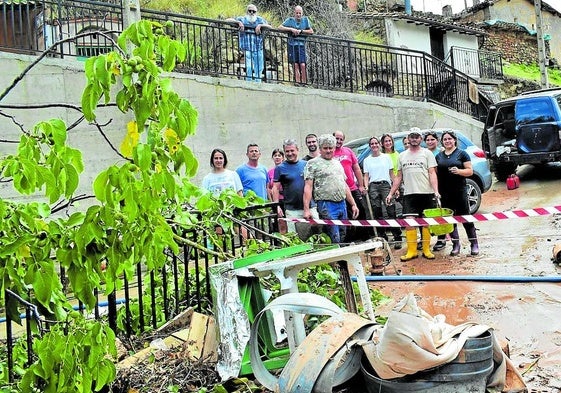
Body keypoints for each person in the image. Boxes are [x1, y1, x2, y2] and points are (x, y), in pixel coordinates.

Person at [386, 127, 440, 261]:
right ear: (408, 139)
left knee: (426, 222)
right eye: (412, 137)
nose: (414, 139)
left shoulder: (427, 153)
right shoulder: (402, 156)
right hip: (409, 194)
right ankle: (412, 251)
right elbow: (398, 177)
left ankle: (427, 250)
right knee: (410, 223)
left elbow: (432, 173)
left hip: (426, 193)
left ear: (420, 139)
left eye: (417, 137)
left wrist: (436, 191)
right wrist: (391, 193)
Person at [303, 134, 359, 244]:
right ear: (320, 148)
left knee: (343, 232)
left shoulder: (337, 163)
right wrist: (306, 209)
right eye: (325, 148)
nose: (328, 151)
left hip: (341, 203)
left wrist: (353, 204)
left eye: (330, 148)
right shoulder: (312, 163)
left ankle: (340, 258)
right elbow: (308, 186)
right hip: (326, 204)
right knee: (334, 234)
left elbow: (344, 185)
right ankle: (335, 259)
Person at [436, 130, 479, 256]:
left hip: (459, 190)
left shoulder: (462, 154)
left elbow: (470, 171)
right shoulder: (439, 156)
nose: (447, 141)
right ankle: (456, 244)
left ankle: (474, 244)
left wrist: (459, 171)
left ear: (454, 140)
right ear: (442, 142)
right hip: (445, 192)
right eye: (445, 139)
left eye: (450, 139)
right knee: (450, 219)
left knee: (465, 217)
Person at [273, 139, 317, 240]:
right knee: (294, 238)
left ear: (297, 150)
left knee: (317, 234)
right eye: (287, 151)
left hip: (311, 207)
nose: (290, 153)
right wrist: (277, 206)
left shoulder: (307, 164)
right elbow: (275, 188)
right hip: (291, 209)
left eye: (292, 150)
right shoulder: (280, 168)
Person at [363, 136, 402, 249]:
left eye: (376, 143)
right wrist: (366, 186)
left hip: (386, 185)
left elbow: (392, 174)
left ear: (379, 144)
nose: (374, 145)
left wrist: (395, 188)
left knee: (391, 211)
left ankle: (397, 237)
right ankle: (382, 236)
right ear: (370, 146)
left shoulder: (386, 158)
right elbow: (366, 175)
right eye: (372, 144)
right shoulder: (367, 160)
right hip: (373, 186)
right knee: (376, 212)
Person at [333, 130, 369, 242]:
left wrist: (361, 185)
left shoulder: (348, 151)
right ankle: (349, 240)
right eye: (336, 138)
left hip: (352, 188)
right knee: (345, 216)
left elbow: (357, 168)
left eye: (341, 139)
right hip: (338, 191)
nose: (339, 141)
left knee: (361, 211)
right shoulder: (329, 153)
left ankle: (365, 238)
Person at [226, 4, 272, 82]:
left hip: (258, 47)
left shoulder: (260, 20)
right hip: (247, 48)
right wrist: (238, 23)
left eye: (253, 11)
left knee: (259, 68)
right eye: (250, 11)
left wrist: (260, 25)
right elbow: (227, 21)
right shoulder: (242, 19)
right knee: (249, 67)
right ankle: (248, 83)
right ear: (247, 11)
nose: (251, 13)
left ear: (256, 12)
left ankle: (258, 84)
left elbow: (270, 27)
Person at [278, 5, 313, 85]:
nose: (298, 15)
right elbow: (279, 27)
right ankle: (297, 82)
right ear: (294, 13)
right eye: (297, 13)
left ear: (302, 13)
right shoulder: (290, 20)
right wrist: (291, 29)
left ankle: (304, 82)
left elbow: (311, 31)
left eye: (300, 13)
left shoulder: (305, 20)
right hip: (292, 44)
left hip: (301, 44)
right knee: (295, 64)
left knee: (303, 64)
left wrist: (301, 31)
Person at [424, 131, 447, 251]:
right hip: (425, 186)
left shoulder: (441, 152)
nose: (430, 142)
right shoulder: (423, 153)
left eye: (432, 139)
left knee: (439, 213)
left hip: (440, 185)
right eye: (427, 140)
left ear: (437, 141)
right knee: (427, 213)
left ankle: (441, 239)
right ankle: (425, 240)